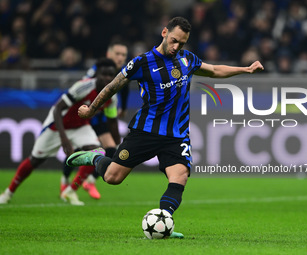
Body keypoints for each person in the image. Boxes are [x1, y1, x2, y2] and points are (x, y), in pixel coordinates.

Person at [66, 17, 264, 236]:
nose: (176, 47)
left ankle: (163, 221)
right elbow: (113, 86)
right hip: (146, 131)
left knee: (180, 177)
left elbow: (215, 70)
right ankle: (96, 157)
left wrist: (245, 70)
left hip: (177, 135)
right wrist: (92, 109)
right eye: (174, 40)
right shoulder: (142, 62)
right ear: (164, 33)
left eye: (182, 43)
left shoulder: (187, 59)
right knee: (113, 178)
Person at [0, 58, 117, 206]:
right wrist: (64, 139)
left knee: (97, 152)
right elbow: (58, 109)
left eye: (110, 75)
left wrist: (117, 142)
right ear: (96, 74)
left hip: (80, 127)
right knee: (35, 160)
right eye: (104, 74)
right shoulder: (83, 87)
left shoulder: (112, 95)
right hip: (57, 125)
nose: (107, 78)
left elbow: (111, 119)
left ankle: (70, 191)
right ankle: (8, 193)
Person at [61, 42, 128, 199]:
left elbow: (124, 89)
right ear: (108, 54)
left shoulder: (126, 71)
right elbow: (83, 90)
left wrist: (123, 108)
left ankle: (87, 182)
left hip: (102, 117)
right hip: (86, 117)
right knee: (80, 151)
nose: (120, 58)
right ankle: (65, 180)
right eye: (117, 54)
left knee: (111, 150)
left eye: (123, 55)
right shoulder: (97, 71)